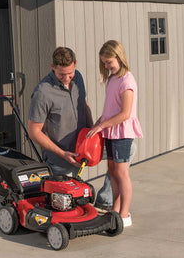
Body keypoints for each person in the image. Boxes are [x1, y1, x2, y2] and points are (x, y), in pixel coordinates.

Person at [87, 40, 143, 227]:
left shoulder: (127, 81)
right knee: (112, 172)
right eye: (104, 62)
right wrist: (97, 123)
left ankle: (124, 214)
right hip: (111, 131)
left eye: (109, 61)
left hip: (122, 132)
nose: (106, 66)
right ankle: (115, 210)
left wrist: (102, 126)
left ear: (119, 57)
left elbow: (125, 114)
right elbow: (109, 109)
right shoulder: (112, 79)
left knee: (121, 173)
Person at [28, 47, 93, 177]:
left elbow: (84, 104)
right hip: (60, 161)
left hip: (82, 149)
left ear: (75, 64)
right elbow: (33, 132)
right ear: (53, 67)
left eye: (70, 73)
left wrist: (92, 131)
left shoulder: (78, 76)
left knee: (126, 151)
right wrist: (62, 154)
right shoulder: (43, 92)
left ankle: (104, 197)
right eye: (61, 74)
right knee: (67, 196)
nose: (66, 78)